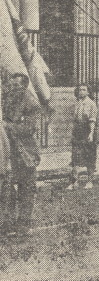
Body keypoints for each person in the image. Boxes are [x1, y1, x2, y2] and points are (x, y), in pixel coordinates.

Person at [1, 73, 42, 236]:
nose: (13, 88)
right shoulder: (6, 98)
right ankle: (8, 222)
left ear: (24, 86)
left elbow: (29, 128)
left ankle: (24, 223)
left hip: (26, 153)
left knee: (26, 188)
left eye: (17, 85)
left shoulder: (32, 103)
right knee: (7, 188)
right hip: (9, 151)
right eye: (11, 85)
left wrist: (7, 126)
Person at [66, 84, 98, 190]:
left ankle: (90, 181)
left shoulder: (91, 104)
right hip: (78, 132)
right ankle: (74, 181)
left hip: (88, 130)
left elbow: (92, 120)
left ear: (88, 92)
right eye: (80, 90)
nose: (81, 92)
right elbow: (75, 120)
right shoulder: (77, 104)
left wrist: (91, 134)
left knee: (89, 157)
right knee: (75, 157)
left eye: (84, 90)